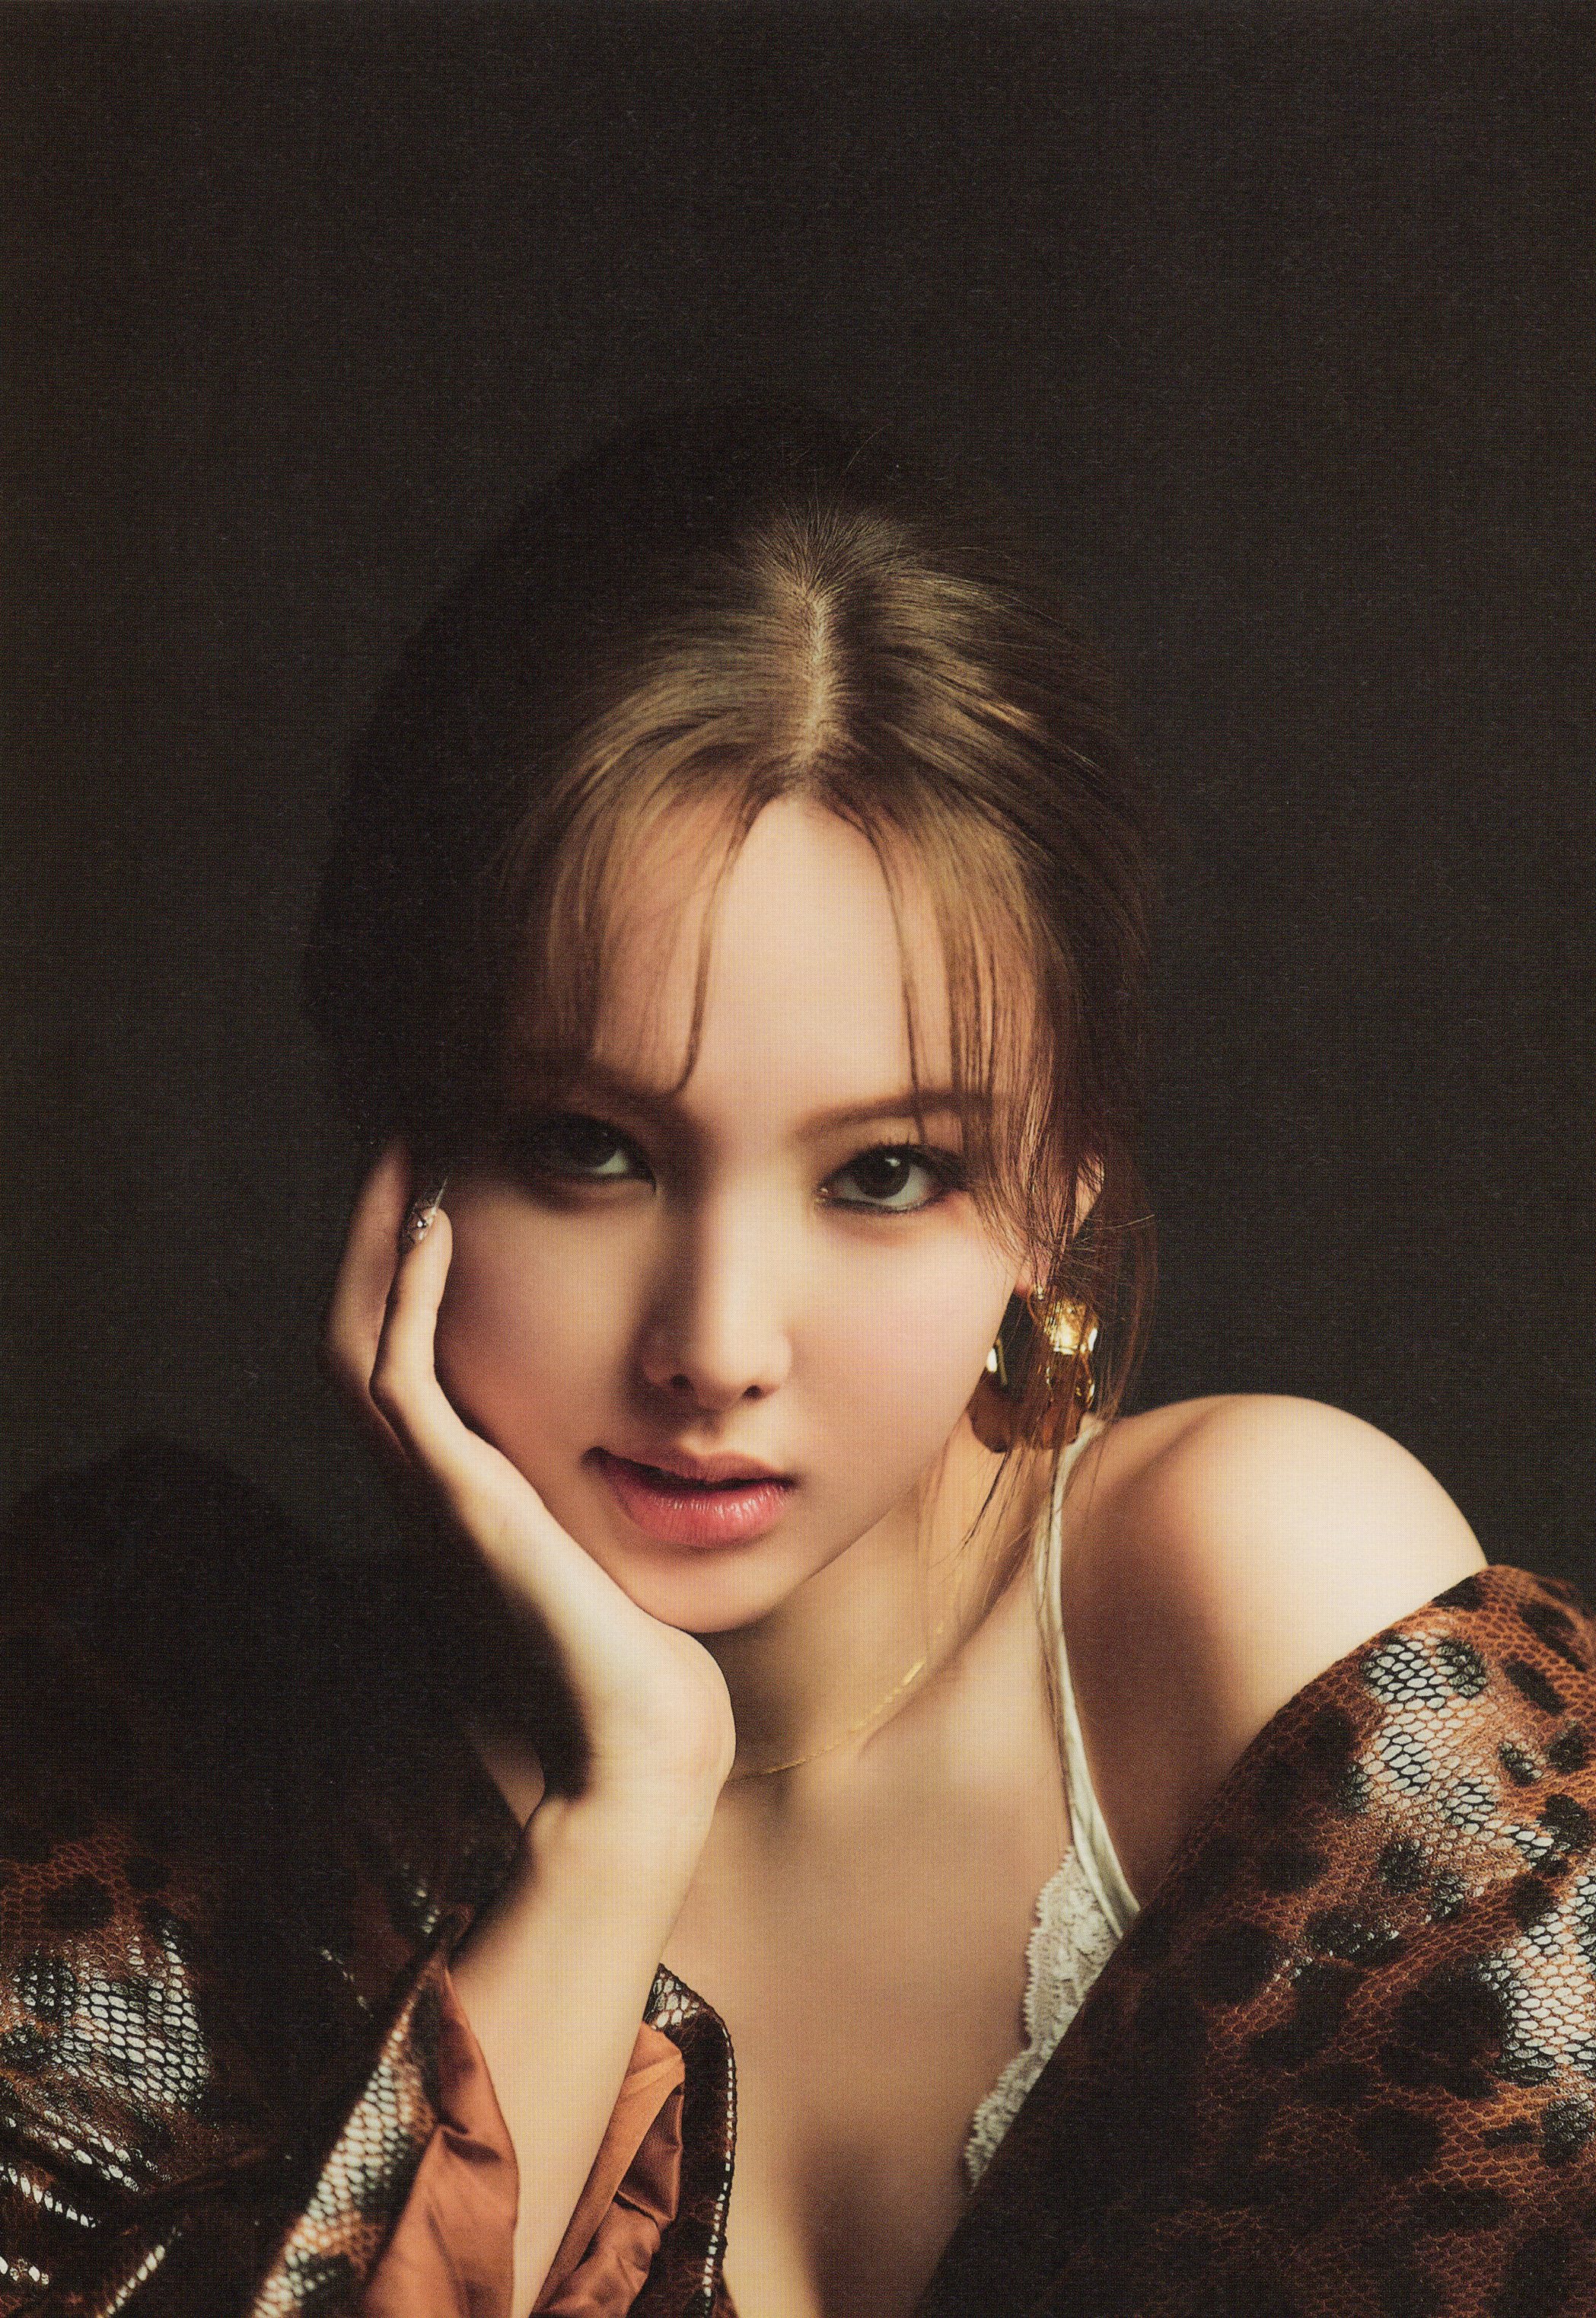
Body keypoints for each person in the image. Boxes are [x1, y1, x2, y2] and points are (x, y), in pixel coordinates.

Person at [4, 397, 1594, 2318]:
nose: (714, 1345)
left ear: (1056, 1197)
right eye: (589, 1148)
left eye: (884, 1172)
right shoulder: (166, 1757)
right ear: (396, 1144)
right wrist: (623, 1809)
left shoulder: (1242, 1600)